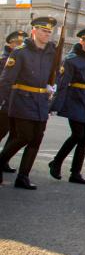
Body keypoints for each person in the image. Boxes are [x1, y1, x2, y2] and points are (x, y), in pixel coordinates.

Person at [0, 17, 57, 189]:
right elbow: (6, 81)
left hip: (41, 102)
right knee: (23, 137)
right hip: (22, 101)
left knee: (36, 140)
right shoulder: (20, 52)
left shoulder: (51, 52)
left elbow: (52, 74)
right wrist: (5, 102)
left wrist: (51, 85)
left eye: (49, 31)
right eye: (43, 30)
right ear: (34, 30)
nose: (47, 34)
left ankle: (23, 176)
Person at [48, 27, 85, 184]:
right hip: (75, 100)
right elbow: (63, 83)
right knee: (77, 134)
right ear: (82, 41)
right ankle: (56, 162)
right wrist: (54, 105)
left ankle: (75, 173)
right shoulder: (71, 59)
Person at [0, 30, 27, 174]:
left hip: (17, 101)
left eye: (21, 43)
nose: (19, 45)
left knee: (14, 133)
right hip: (5, 101)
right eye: (16, 43)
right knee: (2, 131)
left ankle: (4, 160)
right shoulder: (4, 60)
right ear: (9, 44)